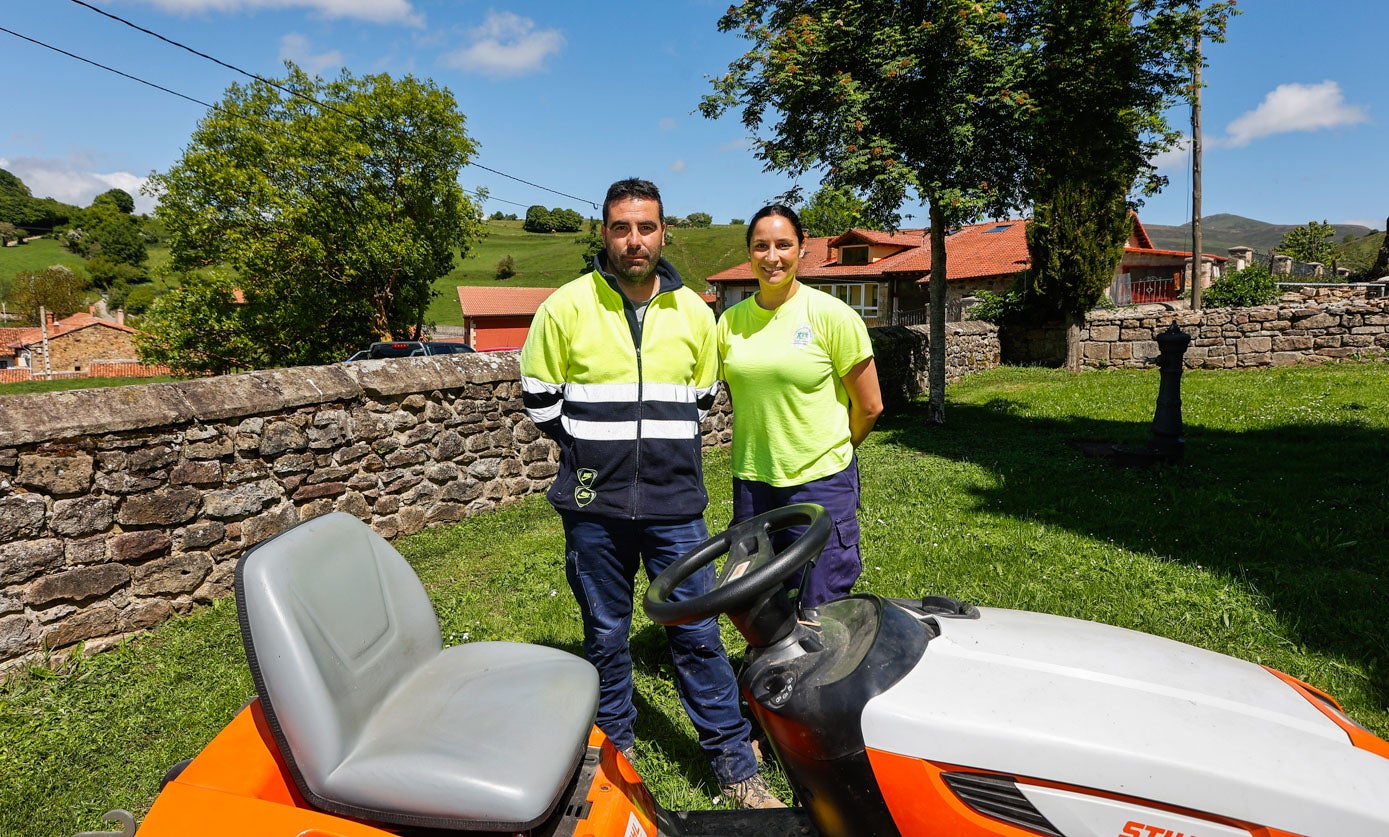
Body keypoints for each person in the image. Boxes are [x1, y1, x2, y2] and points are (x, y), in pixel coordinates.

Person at [519, 179, 781, 809]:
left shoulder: (695, 312)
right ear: (602, 233)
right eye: (620, 228)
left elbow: (700, 396)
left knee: (697, 633)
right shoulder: (566, 306)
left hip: (675, 504)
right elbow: (539, 399)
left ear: (664, 234)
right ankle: (614, 754)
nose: (633, 240)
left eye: (645, 228)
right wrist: (591, 455)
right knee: (604, 632)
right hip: (592, 508)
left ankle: (734, 765)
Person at [716, 204, 883, 611]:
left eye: (783, 245)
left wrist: (833, 449)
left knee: (821, 602)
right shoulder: (729, 322)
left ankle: (826, 675)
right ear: (749, 252)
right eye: (761, 246)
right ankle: (776, 673)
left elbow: (870, 406)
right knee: (760, 600)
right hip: (753, 482)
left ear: (802, 248)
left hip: (820, 481)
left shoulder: (832, 317)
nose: (772, 257)